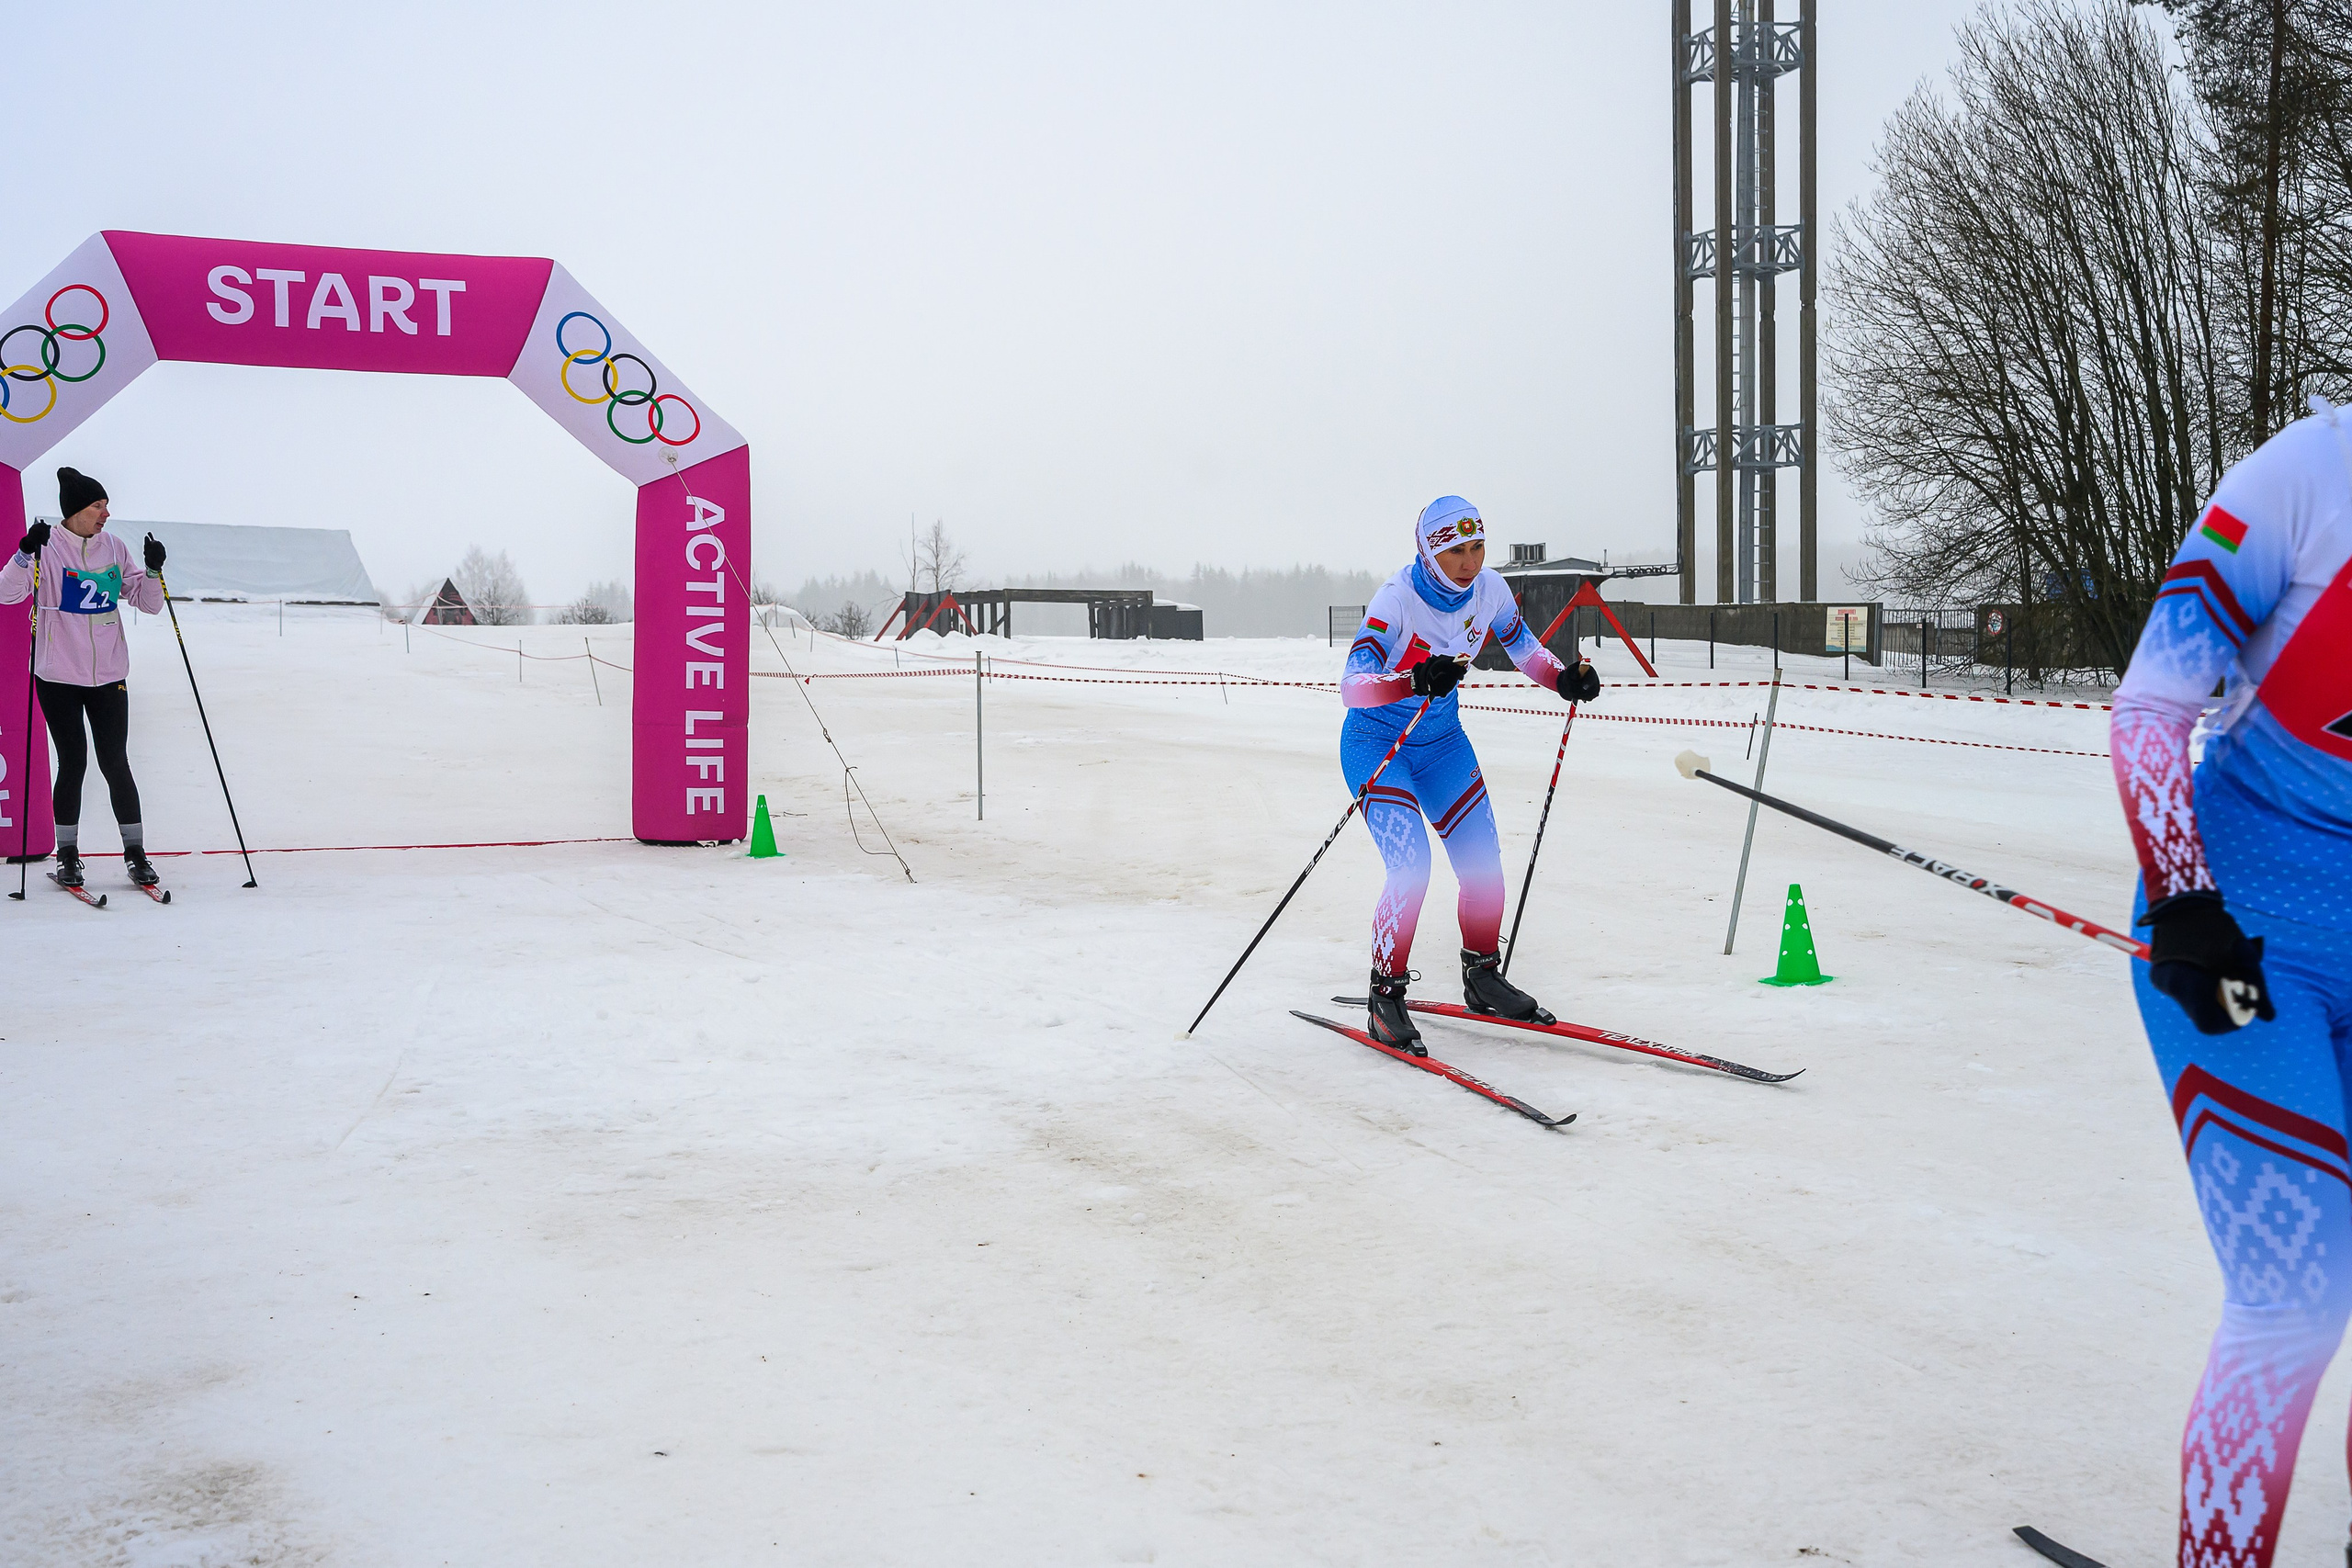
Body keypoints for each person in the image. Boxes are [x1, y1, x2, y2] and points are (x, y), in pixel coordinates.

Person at [2110, 396, 2352, 1568]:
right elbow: (2151, 705)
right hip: (2247, 932)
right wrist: (2187, 898)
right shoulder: (2305, 475)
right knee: (2296, 1291)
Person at [1341, 496, 1599, 1053]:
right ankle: (1384, 995)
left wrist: (1562, 679)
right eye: (1455, 550)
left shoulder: (1491, 590)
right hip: (1378, 744)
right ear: (1430, 553)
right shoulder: (1397, 599)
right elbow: (1351, 687)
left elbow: (1522, 645)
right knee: (1411, 868)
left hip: (1441, 744)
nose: (1469, 561)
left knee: (1484, 864)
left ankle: (1481, 974)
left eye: (1477, 546)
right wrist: (1412, 680)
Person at [0, 467, 167, 890]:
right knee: (73, 762)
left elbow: (148, 606)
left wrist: (151, 572)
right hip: (57, 675)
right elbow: (8, 593)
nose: (105, 513)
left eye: (106, 505)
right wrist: (22, 554)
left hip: (109, 675)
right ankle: (69, 856)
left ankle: (136, 855)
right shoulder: (48, 547)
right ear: (75, 510)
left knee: (116, 762)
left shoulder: (112, 546)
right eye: (98, 505)